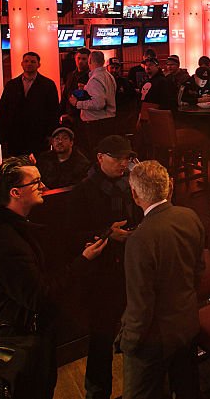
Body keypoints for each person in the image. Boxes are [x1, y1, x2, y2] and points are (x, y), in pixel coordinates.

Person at [0, 156, 108, 399]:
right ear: (15, 192)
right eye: (35, 182)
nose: (43, 186)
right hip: (19, 343)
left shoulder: (13, 225)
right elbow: (39, 295)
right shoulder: (5, 242)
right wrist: (83, 261)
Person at [119, 160, 204, 399]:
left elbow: (140, 305)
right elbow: (198, 271)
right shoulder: (190, 216)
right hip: (187, 325)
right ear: (170, 186)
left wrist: (128, 343)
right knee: (188, 388)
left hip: (156, 338)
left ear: (135, 194)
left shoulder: (139, 239)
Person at [67, 136, 142, 399]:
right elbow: (72, 235)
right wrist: (108, 234)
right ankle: (97, 391)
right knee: (101, 337)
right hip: (102, 273)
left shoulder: (132, 185)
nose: (123, 163)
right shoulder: (84, 191)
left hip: (132, 267)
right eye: (117, 158)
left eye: (126, 158)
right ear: (100, 158)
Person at [0, 52, 59, 157]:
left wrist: (50, 134)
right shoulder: (12, 84)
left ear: (39, 64)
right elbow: (3, 106)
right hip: (15, 134)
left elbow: (54, 110)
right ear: (22, 64)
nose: (29, 64)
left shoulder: (48, 85)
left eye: (33, 61)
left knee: (40, 164)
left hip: (39, 134)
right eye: (26, 61)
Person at [70, 51, 118, 153]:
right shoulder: (109, 76)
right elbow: (104, 93)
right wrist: (87, 88)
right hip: (108, 121)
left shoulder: (95, 79)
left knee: (97, 154)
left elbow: (99, 103)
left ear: (89, 61)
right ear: (103, 61)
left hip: (96, 124)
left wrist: (77, 104)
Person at [61, 47, 92, 125]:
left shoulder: (92, 77)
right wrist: (61, 112)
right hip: (69, 116)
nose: (80, 61)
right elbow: (65, 95)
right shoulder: (70, 75)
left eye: (84, 59)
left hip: (85, 116)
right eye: (78, 58)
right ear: (75, 59)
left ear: (89, 60)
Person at [108, 58, 141, 131]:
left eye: (116, 68)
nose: (114, 70)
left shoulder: (125, 82)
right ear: (107, 68)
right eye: (112, 68)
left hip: (122, 116)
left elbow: (132, 98)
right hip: (108, 116)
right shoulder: (104, 82)